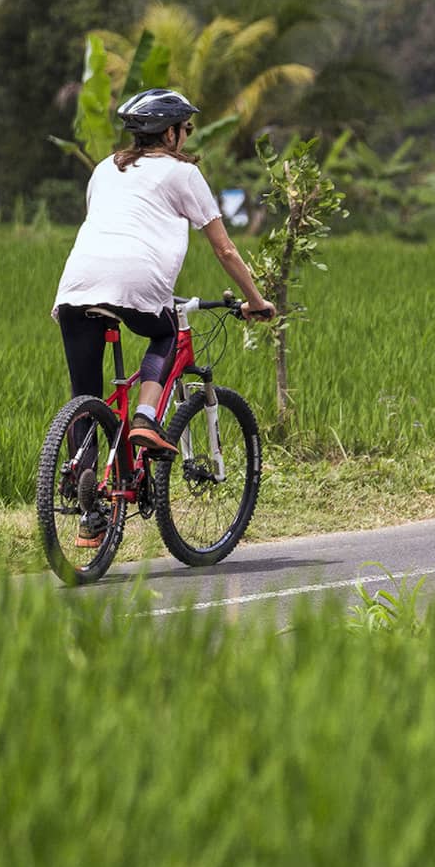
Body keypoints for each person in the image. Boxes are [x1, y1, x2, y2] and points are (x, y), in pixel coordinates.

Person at [52, 89, 275, 543]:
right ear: (171, 133)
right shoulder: (182, 172)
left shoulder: (104, 168)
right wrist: (255, 299)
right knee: (167, 331)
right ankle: (146, 419)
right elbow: (224, 247)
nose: (186, 136)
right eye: (184, 128)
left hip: (76, 285)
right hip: (136, 282)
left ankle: (86, 505)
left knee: (85, 393)